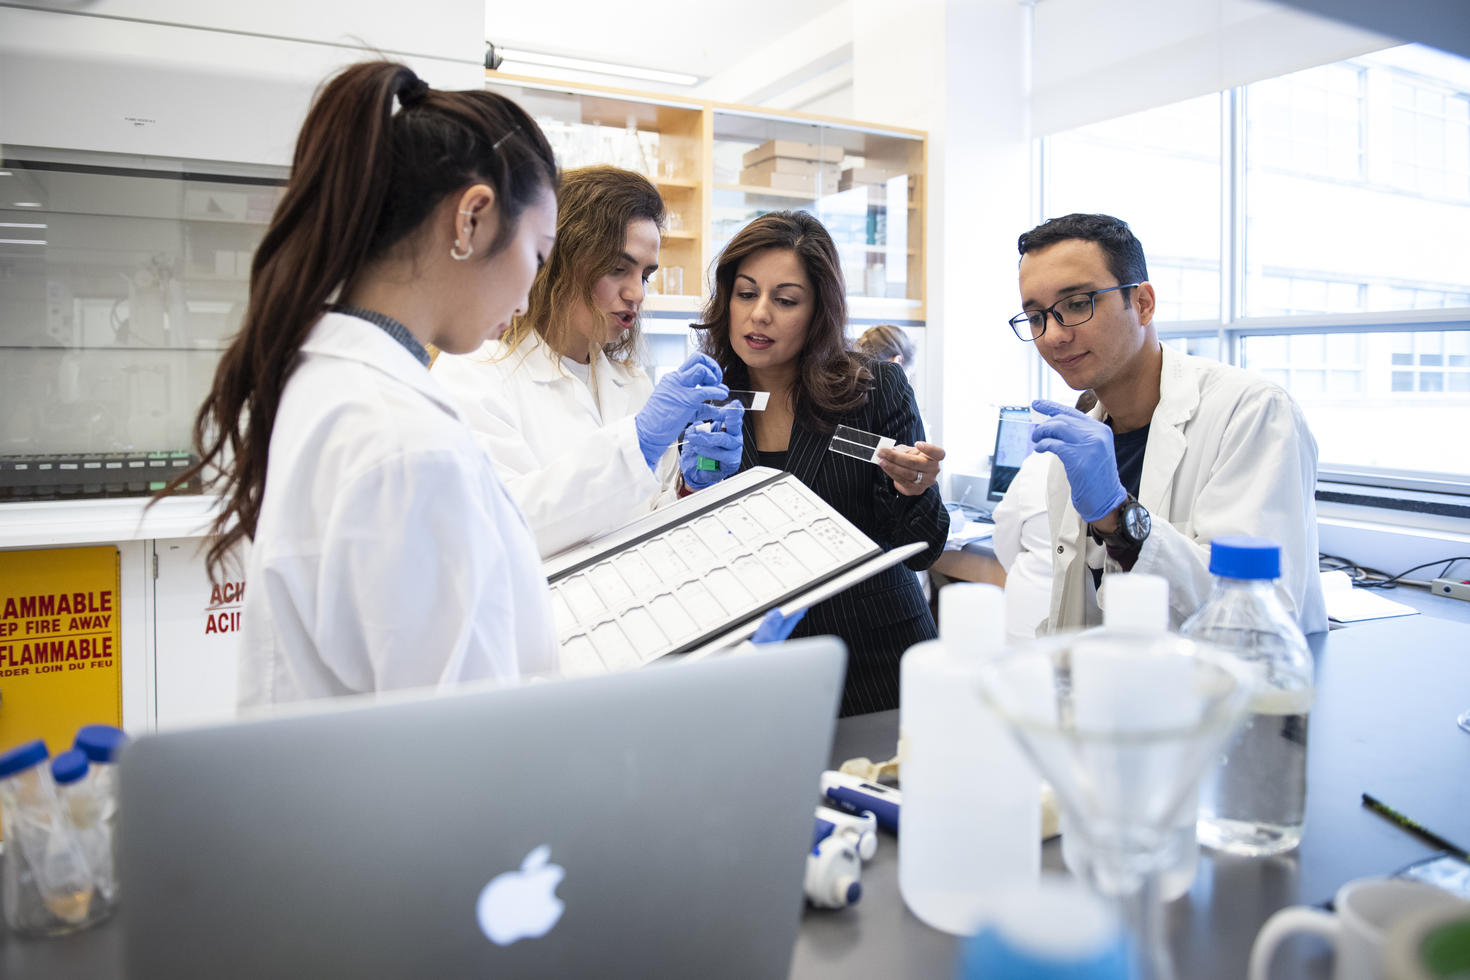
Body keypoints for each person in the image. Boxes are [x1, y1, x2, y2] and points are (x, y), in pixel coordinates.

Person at [156, 61, 563, 705]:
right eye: (538, 255)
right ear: (472, 219)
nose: (527, 293)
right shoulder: (407, 441)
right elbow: (463, 748)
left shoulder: (331, 378)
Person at [1010, 212, 1326, 633]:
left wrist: (1117, 516)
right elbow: (1081, 611)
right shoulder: (1077, 449)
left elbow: (1255, 614)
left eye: (1077, 304)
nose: (1053, 335)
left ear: (1142, 303)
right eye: (1036, 317)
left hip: (1225, 693)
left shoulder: (1251, 412)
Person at [695, 210, 950, 715]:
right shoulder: (711, 397)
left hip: (873, 658)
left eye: (785, 300)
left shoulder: (871, 388)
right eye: (746, 294)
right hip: (755, 667)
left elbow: (920, 549)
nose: (759, 314)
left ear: (818, 311)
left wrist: (913, 490)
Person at [431, 166, 740, 558]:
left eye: (646, 275)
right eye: (617, 268)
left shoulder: (633, 384)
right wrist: (637, 446)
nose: (637, 294)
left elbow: (651, 528)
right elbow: (501, 524)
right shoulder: (473, 373)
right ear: (559, 261)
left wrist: (689, 490)